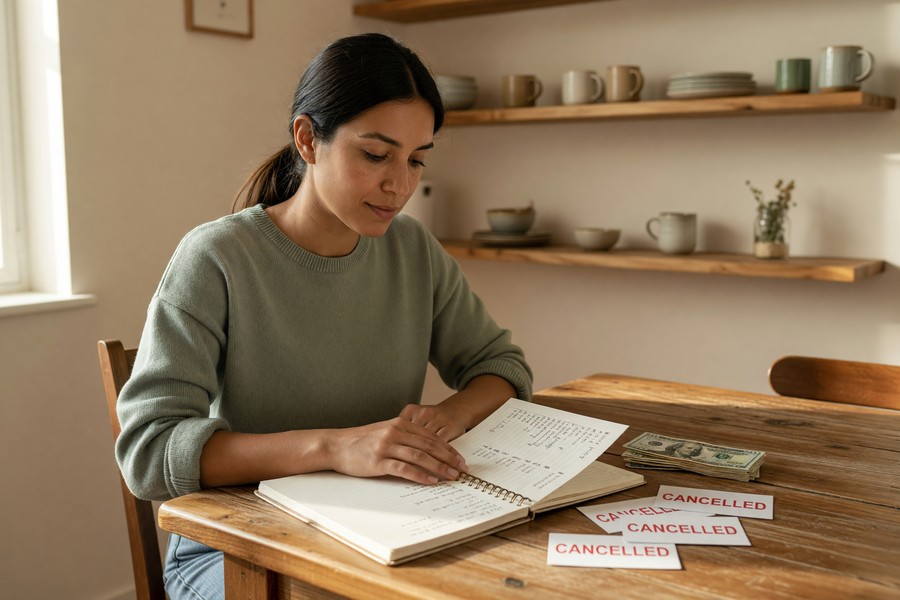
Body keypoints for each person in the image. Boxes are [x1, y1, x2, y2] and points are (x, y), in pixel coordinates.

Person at [114, 33, 532, 600]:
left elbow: (501, 366)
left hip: (384, 528)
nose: (400, 184)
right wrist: (338, 447)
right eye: (376, 154)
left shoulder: (412, 249)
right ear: (308, 139)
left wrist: (446, 419)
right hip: (237, 549)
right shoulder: (216, 258)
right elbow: (148, 451)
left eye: (415, 160)